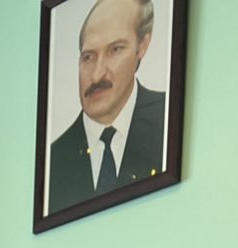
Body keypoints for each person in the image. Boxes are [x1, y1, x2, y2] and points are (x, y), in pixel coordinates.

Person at [48, 0, 165, 213]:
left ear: (142, 46)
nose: (97, 75)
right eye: (88, 57)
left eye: (115, 50)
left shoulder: (167, 124)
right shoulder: (53, 162)